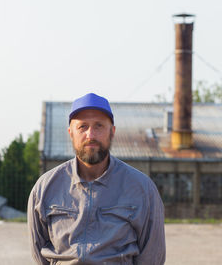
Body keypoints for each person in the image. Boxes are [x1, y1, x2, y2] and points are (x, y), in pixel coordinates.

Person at [28, 93, 166, 265]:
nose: (90, 135)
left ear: (112, 132)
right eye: (82, 127)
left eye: (99, 126)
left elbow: (152, 256)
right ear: (70, 133)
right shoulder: (45, 188)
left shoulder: (142, 189)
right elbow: (39, 252)